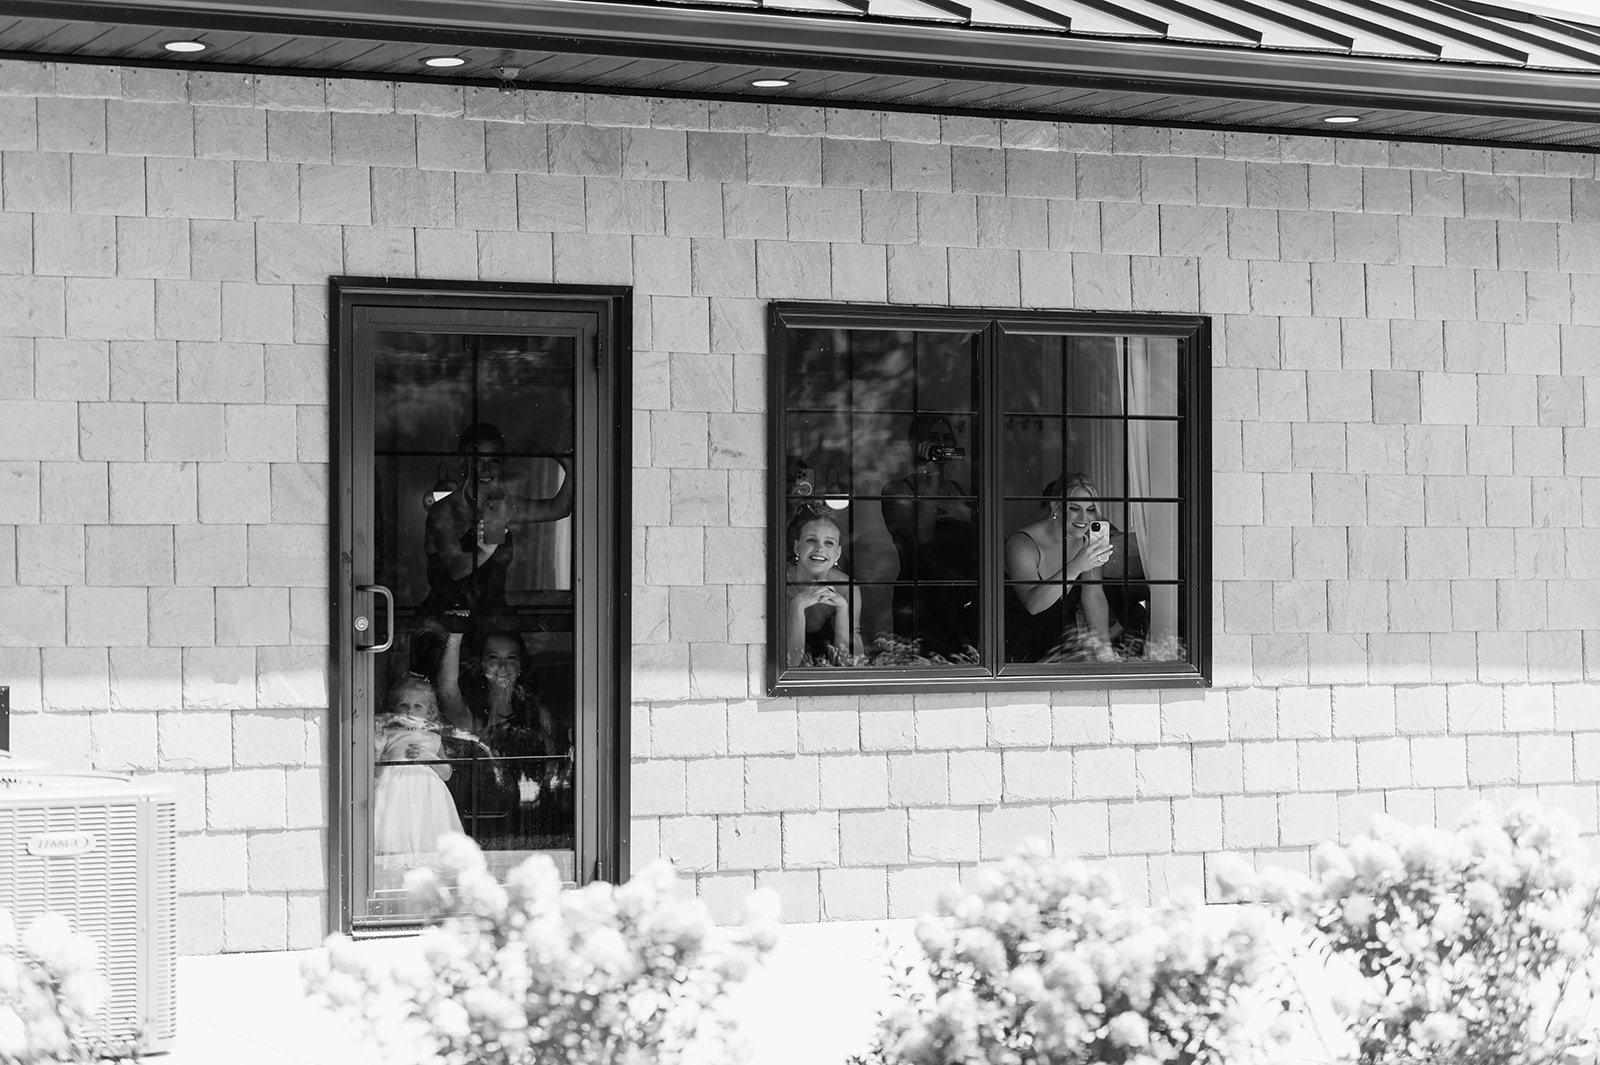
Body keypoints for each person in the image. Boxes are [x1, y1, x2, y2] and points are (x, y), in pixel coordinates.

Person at [435, 629, 572, 839]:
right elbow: (447, 689)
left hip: (528, 818)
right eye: (493, 658)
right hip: (477, 815)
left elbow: (553, 764)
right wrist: (455, 633)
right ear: (481, 663)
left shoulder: (536, 713)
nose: (502, 666)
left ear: (520, 665)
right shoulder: (471, 711)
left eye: (511, 658)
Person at [422, 422, 574, 611]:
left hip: (491, 620)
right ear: (464, 462)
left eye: (493, 460)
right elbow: (457, 569)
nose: (486, 469)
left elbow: (558, 509)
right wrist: (485, 551)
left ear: (502, 464)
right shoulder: (444, 510)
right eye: (478, 460)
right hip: (447, 622)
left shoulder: (504, 505)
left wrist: (569, 466)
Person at [879, 415, 977, 658]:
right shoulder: (897, 490)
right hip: (920, 600)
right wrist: (930, 476)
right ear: (914, 443)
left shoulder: (963, 491)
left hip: (963, 598)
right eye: (932, 439)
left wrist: (964, 513)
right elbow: (921, 539)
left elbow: (990, 540)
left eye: (946, 439)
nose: (940, 445)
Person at [1004, 473, 1117, 663]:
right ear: (1056, 506)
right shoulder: (1022, 543)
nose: (1084, 517)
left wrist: (1105, 651)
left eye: (1090, 510)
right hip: (1019, 648)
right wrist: (1074, 567)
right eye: (1074, 508)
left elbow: (1093, 597)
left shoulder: (1087, 541)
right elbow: (1033, 605)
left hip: (1064, 647)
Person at [372, 676, 464, 856]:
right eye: (403, 705)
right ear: (394, 710)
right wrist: (377, 746)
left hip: (427, 793)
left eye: (417, 706)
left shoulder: (432, 737)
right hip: (395, 791)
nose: (410, 712)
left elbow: (446, 774)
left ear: (429, 713)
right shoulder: (390, 734)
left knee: (425, 829)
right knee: (397, 828)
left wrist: (427, 757)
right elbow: (375, 770)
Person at [785, 507, 864, 667]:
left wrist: (842, 608)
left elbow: (850, 661)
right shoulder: (780, 582)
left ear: (838, 553)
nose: (820, 548)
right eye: (811, 540)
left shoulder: (846, 587)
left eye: (829, 543)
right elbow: (790, 662)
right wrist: (797, 605)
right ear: (796, 547)